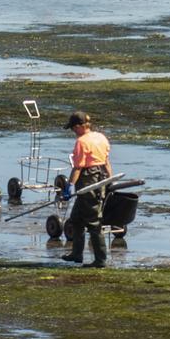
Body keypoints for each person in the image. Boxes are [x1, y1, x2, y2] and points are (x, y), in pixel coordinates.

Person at [61, 110, 112, 268]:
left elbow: (78, 168)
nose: (73, 132)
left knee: (93, 221)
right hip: (101, 177)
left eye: (73, 129)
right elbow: (106, 161)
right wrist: (109, 180)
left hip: (88, 180)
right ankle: (77, 254)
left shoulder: (82, 142)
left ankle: (100, 259)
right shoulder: (101, 137)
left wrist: (69, 186)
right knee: (76, 219)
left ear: (79, 126)